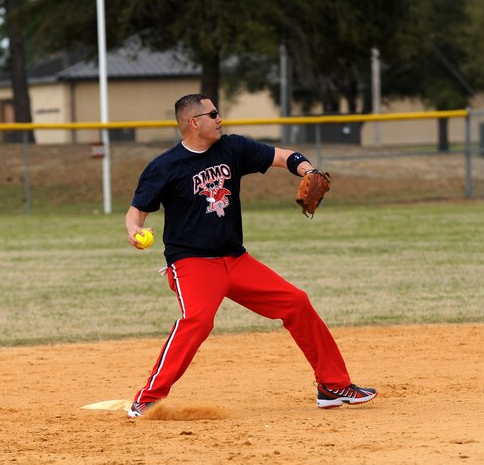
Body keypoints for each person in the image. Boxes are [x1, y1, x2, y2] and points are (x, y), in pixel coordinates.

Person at [124, 93, 376, 418]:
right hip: (192, 262)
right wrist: (134, 231)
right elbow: (136, 213)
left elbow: (284, 156)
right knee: (198, 321)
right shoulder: (165, 167)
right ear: (194, 122)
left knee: (296, 302)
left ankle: (332, 385)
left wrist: (308, 170)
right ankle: (147, 398)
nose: (220, 119)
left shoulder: (233, 148)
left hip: (236, 259)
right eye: (213, 114)